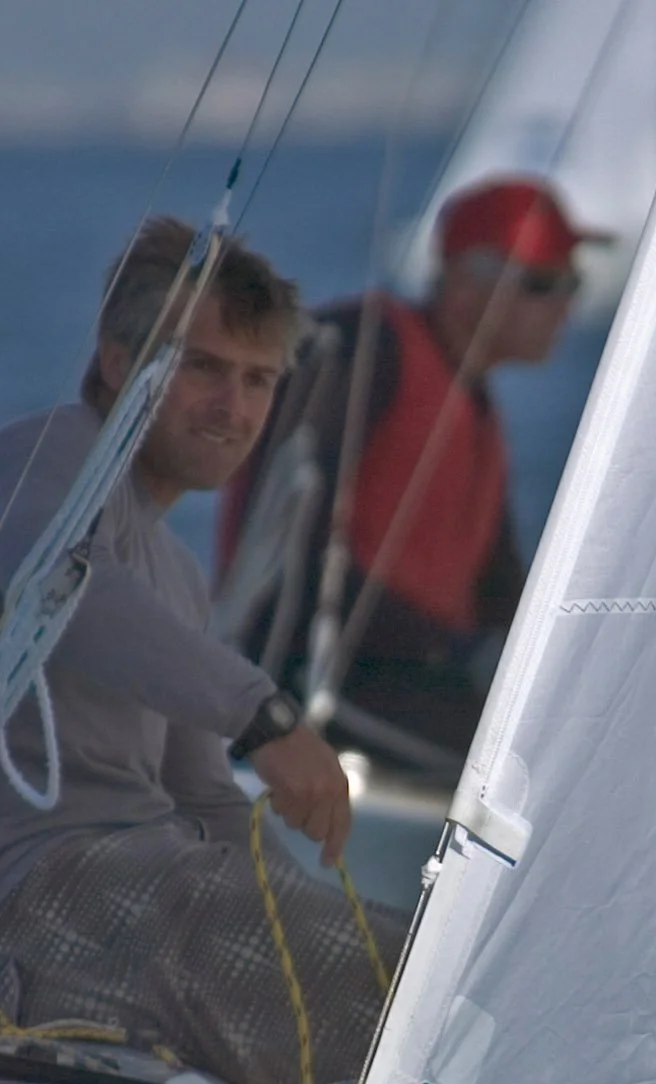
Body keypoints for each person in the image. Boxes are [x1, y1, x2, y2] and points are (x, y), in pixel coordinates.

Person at [0, 217, 399, 1084]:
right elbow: (61, 587)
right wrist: (264, 714)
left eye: (258, 380)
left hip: (140, 891)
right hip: (19, 904)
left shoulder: (177, 578)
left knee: (414, 967)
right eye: (202, 368)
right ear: (120, 362)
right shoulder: (46, 460)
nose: (232, 408)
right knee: (403, 1003)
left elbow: (200, 796)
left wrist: (301, 905)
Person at [214, 176, 609, 767]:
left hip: (421, 682)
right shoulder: (369, 349)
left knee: (588, 739)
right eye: (542, 284)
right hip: (322, 692)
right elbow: (295, 562)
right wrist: (459, 653)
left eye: (571, 285)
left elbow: (500, 593)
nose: (564, 307)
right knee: (547, 770)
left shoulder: (476, 409)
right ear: (464, 285)